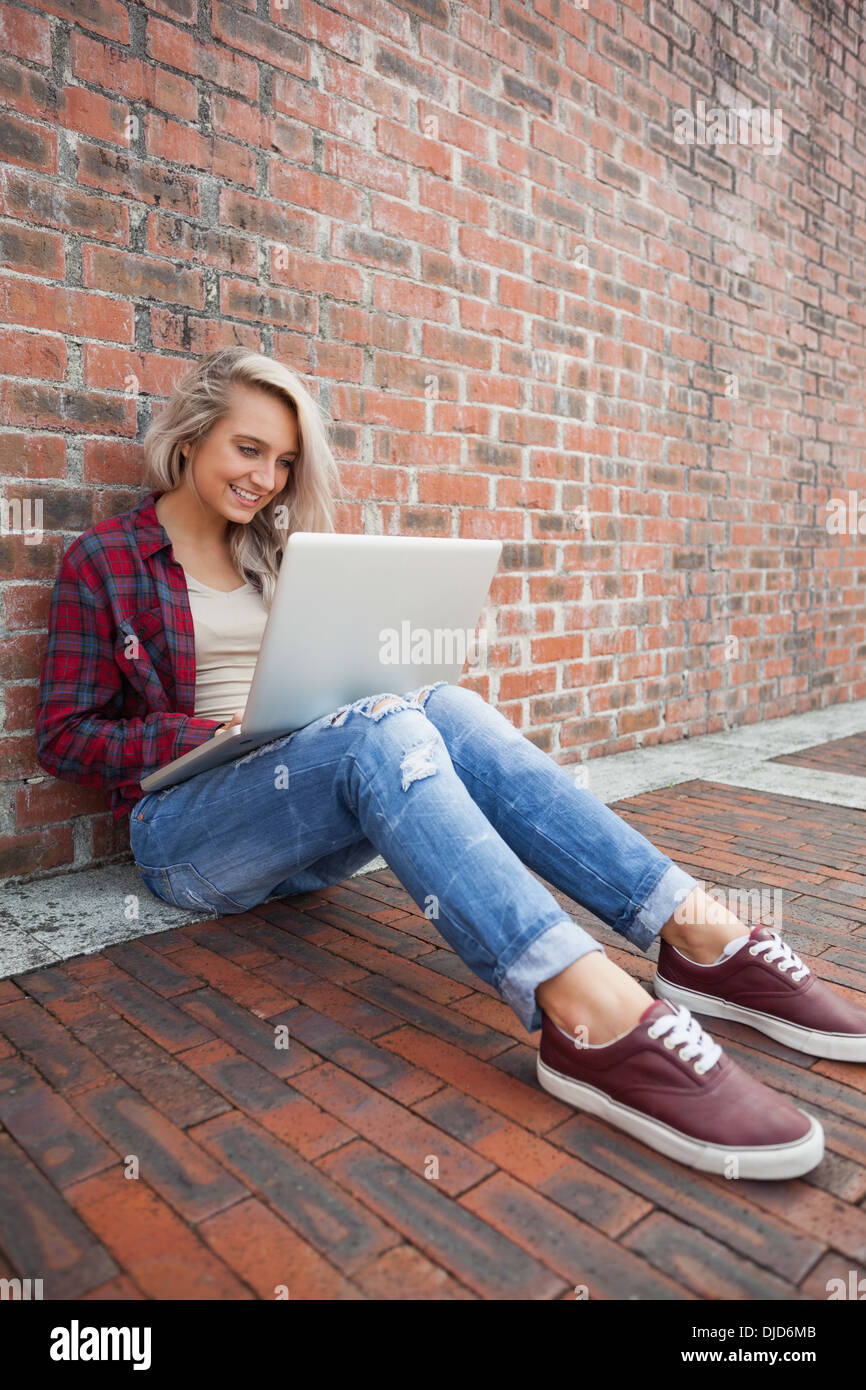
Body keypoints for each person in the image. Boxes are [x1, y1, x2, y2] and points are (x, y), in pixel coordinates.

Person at [35, 348, 866, 1183]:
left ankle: (697, 936)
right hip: (186, 836)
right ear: (191, 438)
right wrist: (206, 731)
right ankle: (588, 1011)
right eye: (249, 449)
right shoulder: (105, 560)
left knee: (440, 704)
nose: (267, 477)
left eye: (284, 461)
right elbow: (66, 737)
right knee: (376, 730)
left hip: (304, 823)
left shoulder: (277, 554)